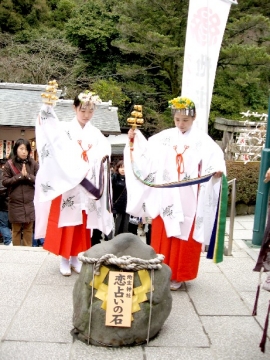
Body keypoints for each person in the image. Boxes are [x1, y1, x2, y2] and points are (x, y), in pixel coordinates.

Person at [125, 96, 226, 290]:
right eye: (178, 119)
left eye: (185, 120)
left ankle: (180, 274)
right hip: (167, 193)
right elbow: (145, 151)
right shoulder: (165, 137)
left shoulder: (202, 140)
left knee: (185, 232)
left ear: (194, 118)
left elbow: (216, 158)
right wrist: (134, 138)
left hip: (189, 194)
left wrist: (217, 169)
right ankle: (160, 270)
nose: (181, 124)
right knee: (164, 231)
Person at [34, 90, 113, 276]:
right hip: (68, 184)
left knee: (83, 223)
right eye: (82, 110)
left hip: (86, 185)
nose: (86, 115)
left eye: (90, 111)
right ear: (74, 108)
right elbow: (50, 135)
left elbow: (104, 153)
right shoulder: (64, 129)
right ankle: (64, 258)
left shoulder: (96, 134)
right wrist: (47, 109)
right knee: (67, 222)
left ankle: (76, 257)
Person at [2, 139, 39, 246]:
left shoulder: (33, 163)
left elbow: (41, 180)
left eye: (26, 149)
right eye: (21, 149)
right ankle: (16, 255)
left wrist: (27, 176)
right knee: (16, 231)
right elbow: (4, 182)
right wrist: (19, 177)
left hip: (30, 203)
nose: (24, 152)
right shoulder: (9, 164)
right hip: (15, 203)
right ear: (16, 149)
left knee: (28, 230)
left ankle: (28, 254)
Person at [112, 160, 138, 236]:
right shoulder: (114, 178)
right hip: (117, 206)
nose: (123, 170)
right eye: (120, 167)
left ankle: (124, 241)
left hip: (127, 206)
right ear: (117, 168)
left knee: (125, 226)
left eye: (124, 167)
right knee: (117, 225)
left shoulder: (130, 179)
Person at [0, 159, 12, 246]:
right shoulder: (10, 173)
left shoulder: (2, 174)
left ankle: (8, 241)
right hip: (11, 203)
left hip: (4, 204)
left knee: (3, 225)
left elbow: (2, 190)